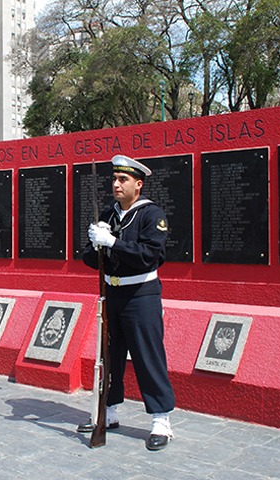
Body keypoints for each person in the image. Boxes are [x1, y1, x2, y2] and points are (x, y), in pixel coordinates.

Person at [81, 154, 176, 451]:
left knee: (148, 357)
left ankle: (161, 419)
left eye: (123, 180)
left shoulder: (151, 214)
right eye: (114, 179)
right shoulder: (109, 215)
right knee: (110, 356)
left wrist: (113, 243)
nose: (116, 184)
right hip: (113, 293)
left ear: (138, 184)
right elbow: (87, 258)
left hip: (141, 296)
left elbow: (150, 255)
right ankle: (108, 411)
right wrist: (95, 243)